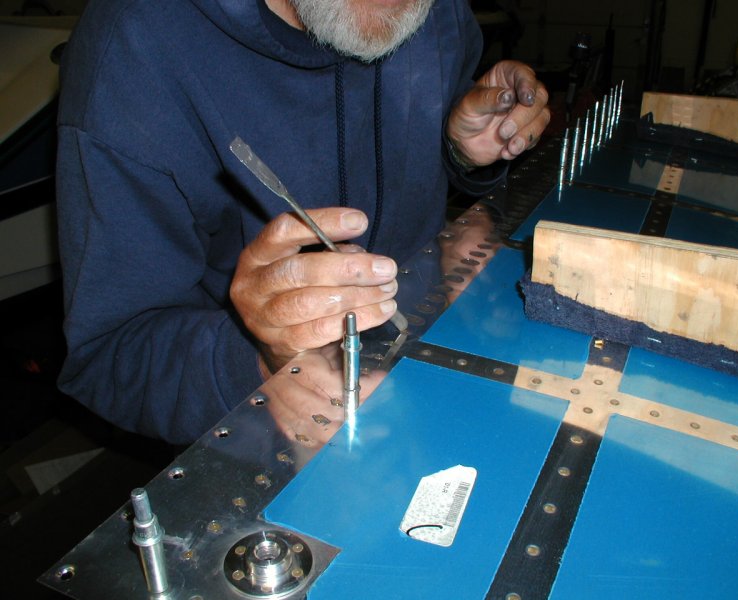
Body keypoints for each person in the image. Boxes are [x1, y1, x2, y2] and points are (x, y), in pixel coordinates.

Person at [56, 0, 550, 444]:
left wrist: (461, 151)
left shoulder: (440, 12)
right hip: (266, 427)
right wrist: (258, 358)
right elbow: (110, 357)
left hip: (430, 367)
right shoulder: (135, 45)